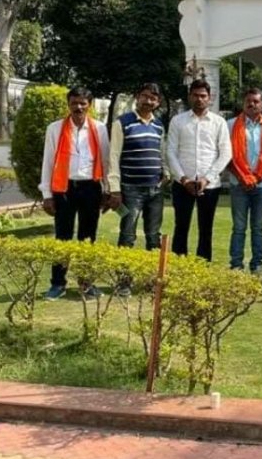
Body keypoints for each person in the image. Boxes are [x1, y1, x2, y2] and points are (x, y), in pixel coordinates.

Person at [39, 86, 110, 300]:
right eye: (74, 103)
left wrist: (107, 190)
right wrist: (47, 194)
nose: (78, 107)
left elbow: (105, 161)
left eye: (82, 103)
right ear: (68, 104)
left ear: (89, 105)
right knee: (62, 236)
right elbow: (48, 161)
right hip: (64, 188)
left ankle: (86, 283)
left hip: (91, 187)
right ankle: (58, 283)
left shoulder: (99, 128)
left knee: (88, 237)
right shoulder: (55, 129)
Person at [167, 78, 232, 262]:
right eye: (195, 95)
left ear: (209, 98)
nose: (199, 99)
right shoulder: (178, 121)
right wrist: (183, 179)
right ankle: (179, 266)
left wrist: (207, 178)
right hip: (183, 183)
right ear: (189, 96)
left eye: (203, 96)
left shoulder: (219, 122)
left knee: (206, 228)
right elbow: (170, 151)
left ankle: (203, 267)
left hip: (209, 185)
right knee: (181, 226)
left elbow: (226, 153)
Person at [227, 87, 262, 275]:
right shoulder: (230, 125)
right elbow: (226, 156)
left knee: (258, 228)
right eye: (248, 101)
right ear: (243, 104)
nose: (252, 104)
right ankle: (236, 264)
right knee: (239, 227)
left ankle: (257, 264)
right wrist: (242, 177)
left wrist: (259, 177)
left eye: (256, 101)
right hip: (238, 184)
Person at [108, 83, 167, 254]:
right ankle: (123, 272)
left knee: (154, 236)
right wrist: (115, 189)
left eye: (153, 98)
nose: (148, 101)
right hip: (130, 190)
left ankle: (152, 271)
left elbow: (161, 153)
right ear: (137, 97)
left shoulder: (158, 125)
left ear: (158, 102)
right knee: (127, 235)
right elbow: (113, 156)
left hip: (156, 189)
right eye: (145, 96)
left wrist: (166, 173)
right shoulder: (122, 123)